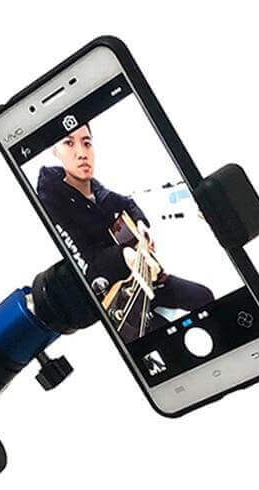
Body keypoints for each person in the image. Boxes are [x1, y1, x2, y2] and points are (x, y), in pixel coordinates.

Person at [36, 124, 213, 339]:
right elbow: (84, 263)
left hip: (147, 279)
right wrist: (124, 255)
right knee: (163, 337)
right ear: (55, 150)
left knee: (205, 298)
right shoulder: (50, 200)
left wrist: (141, 225)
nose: (81, 153)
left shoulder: (96, 188)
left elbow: (127, 203)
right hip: (119, 296)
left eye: (87, 143)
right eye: (69, 143)